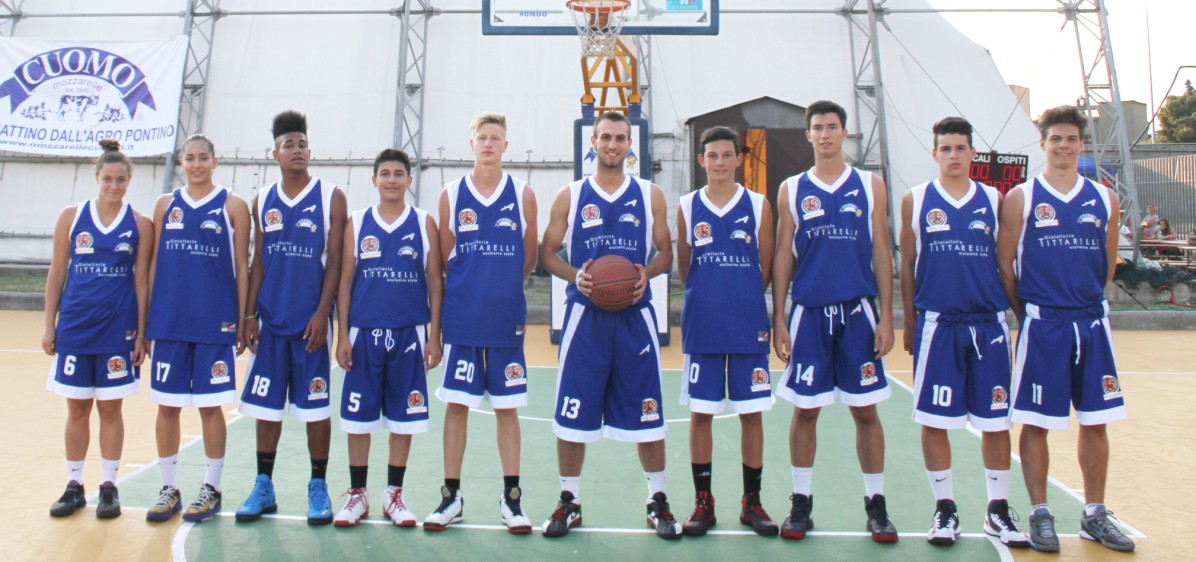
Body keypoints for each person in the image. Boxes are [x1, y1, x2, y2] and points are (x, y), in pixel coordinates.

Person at [996, 105, 1134, 553]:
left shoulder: (1104, 198)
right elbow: (1005, 266)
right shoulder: (1021, 197)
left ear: (1081, 144)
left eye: (1071, 139)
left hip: (1091, 322)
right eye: (1055, 138)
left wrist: (1085, 299)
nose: (1063, 146)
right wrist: (1028, 312)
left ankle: (1094, 513)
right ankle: (1040, 513)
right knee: (1036, 422)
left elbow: (1107, 264)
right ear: (1043, 143)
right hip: (1044, 324)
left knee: (1095, 421)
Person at [537, 111, 679, 540]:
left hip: (635, 318)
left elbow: (666, 252)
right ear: (593, 143)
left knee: (649, 412)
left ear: (630, 145)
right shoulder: (571, 194)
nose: (613, 145)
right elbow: (547, 252)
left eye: (620, 138)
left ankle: (657, 500)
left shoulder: (651, 194)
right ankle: (569, 500)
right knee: (571, 413)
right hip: (585, 318)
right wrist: (574, 275)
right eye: (606, 138)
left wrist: (648, 272)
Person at [898, 117, 1029, 547]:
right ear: (934, 153)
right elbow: (907, 266)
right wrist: (910, 321)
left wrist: (1020, 315)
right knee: (935, 420)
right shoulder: (916, 199)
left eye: (960, 148)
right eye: (945, 148)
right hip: (938, 324)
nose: (953, 155)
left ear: (973, 153)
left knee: (996, 421)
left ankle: (997, 510)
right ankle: (945, 509)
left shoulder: (994, 199)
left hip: (988, 324)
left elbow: (1007, 262)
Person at [772, 100, 898, 542]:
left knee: (866, 411)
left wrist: (887, 316)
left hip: (858, 312)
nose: (825, 134)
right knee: (805, 410)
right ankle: (801, 503)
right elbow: (782, 254)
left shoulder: (869, 185)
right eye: (818, 128)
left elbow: (881, 250)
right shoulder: (791, 188)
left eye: (832, 127)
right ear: (807, 135)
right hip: (809, 313)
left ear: (845, 133)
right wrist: (779, 318)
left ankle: (876, 505)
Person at [425, 113, 537, 533]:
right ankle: (451, 496)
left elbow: (528, 260)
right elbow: (447, 261)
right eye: (482, 137)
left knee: (507, 409)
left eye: (496, 138)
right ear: (471, 144)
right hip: (463, 319)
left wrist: (498, 287)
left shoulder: (523, 194)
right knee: (457, 406)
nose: (489, 143)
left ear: (506, 146)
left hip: (506, 320)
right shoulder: (451, 194)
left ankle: (512, 499)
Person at [234, 111, 347, 525]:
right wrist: (249, 313)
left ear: (309, 150)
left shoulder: (331, 196)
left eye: (302, 144)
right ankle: (264, 485)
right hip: (270, 319)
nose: (296, 150)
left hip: (310, 324)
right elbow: (258, 262)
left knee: (316, 408)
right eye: (288, 145)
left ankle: (318, 485)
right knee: (267, 407)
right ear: (275, 153)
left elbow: (336, 261)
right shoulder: (263, 200)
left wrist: (322, 312)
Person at [675, 126, 778, 538]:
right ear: (702, 161)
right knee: (701, 414)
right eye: (712, 155)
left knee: (751, 414)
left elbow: (765, 267)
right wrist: (711, 294)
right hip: (703, 325)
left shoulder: (758, 204)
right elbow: (686, 268)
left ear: (739, 159)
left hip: (747, 324)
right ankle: (704, 501)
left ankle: (752, 501)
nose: (719, 162)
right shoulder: (687, 205)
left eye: (726, 155)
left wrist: (740, 295)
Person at [332, 148, 443, 527]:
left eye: (398, 174)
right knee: (358, 419)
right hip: (363, 334)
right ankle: (358, 494)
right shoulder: (358, 222)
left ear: (409, 180)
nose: (392, 180)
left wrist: (435, 335)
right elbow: (344, 282)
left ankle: (394, 494)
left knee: (403, 418)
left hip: (409, 333)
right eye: (385, 174)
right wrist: (342, 335)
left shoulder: (424, 222)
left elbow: (435, 281)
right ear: (374, 179)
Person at [44, 140, 153, 519]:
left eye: (120, 180)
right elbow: (57, 273)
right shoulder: (71, 217)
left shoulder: (140, 224)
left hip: (117, 331)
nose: (113, 186)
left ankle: (109, 486)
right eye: (107, 179)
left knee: (110, 409)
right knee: (77, 409)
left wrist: (142, 334)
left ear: (129, 181)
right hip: (75, 328)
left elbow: (142, 280)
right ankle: (74, 485)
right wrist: (49, 325)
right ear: (96, 178)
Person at [144, 134, 252, 523]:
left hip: (214, 323)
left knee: (210, 407)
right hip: (170, 322)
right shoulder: (164, 205)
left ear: (215, 161)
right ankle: (168, 488)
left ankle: (212, 488)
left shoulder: (234, 205)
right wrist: (148, 322)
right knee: (167, 406)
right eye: (189, 158)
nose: (196, 164)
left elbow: (242, 268)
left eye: (203, 157)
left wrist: (242, 319)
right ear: (181, 163)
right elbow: (153, 264)